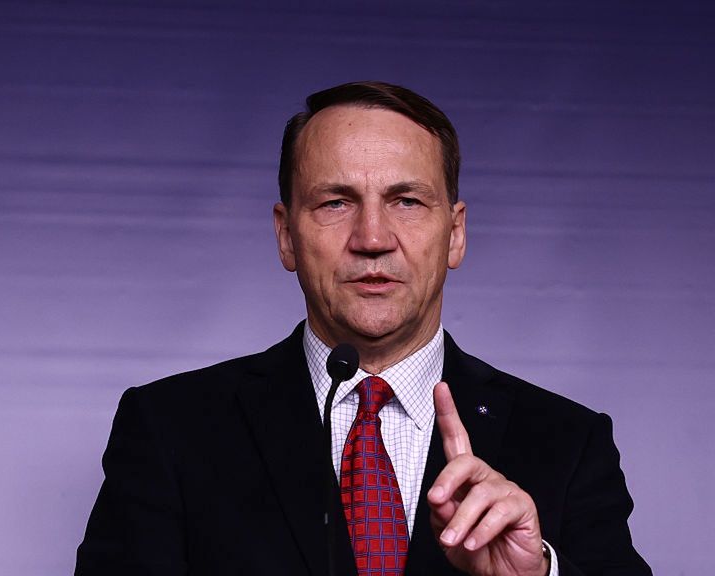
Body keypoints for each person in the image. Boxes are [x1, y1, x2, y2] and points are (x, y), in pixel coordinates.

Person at [75, 81, 651, 576]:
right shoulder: (170, 429)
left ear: (454, 235)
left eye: (406, 201)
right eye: (335, 202)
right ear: (285, 235)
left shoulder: (569, 440)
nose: (372, 237)